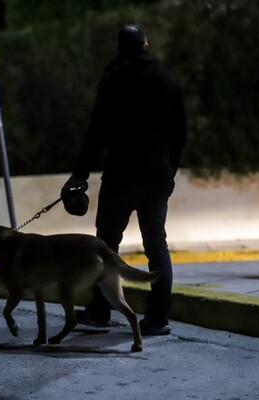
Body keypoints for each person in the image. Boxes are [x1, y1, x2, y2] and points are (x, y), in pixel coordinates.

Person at [63, 24, 187, 334]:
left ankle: (100, 310)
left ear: (120, 48)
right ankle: (158, 317)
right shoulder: (166, 78)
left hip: (122, 174)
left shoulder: (114, 79)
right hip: (157, 174)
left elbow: (97, 132)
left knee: (106, 244)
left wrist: (80, 174)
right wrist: (170, 169)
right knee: (157, 243)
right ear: (146, 43)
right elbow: (180, 131)